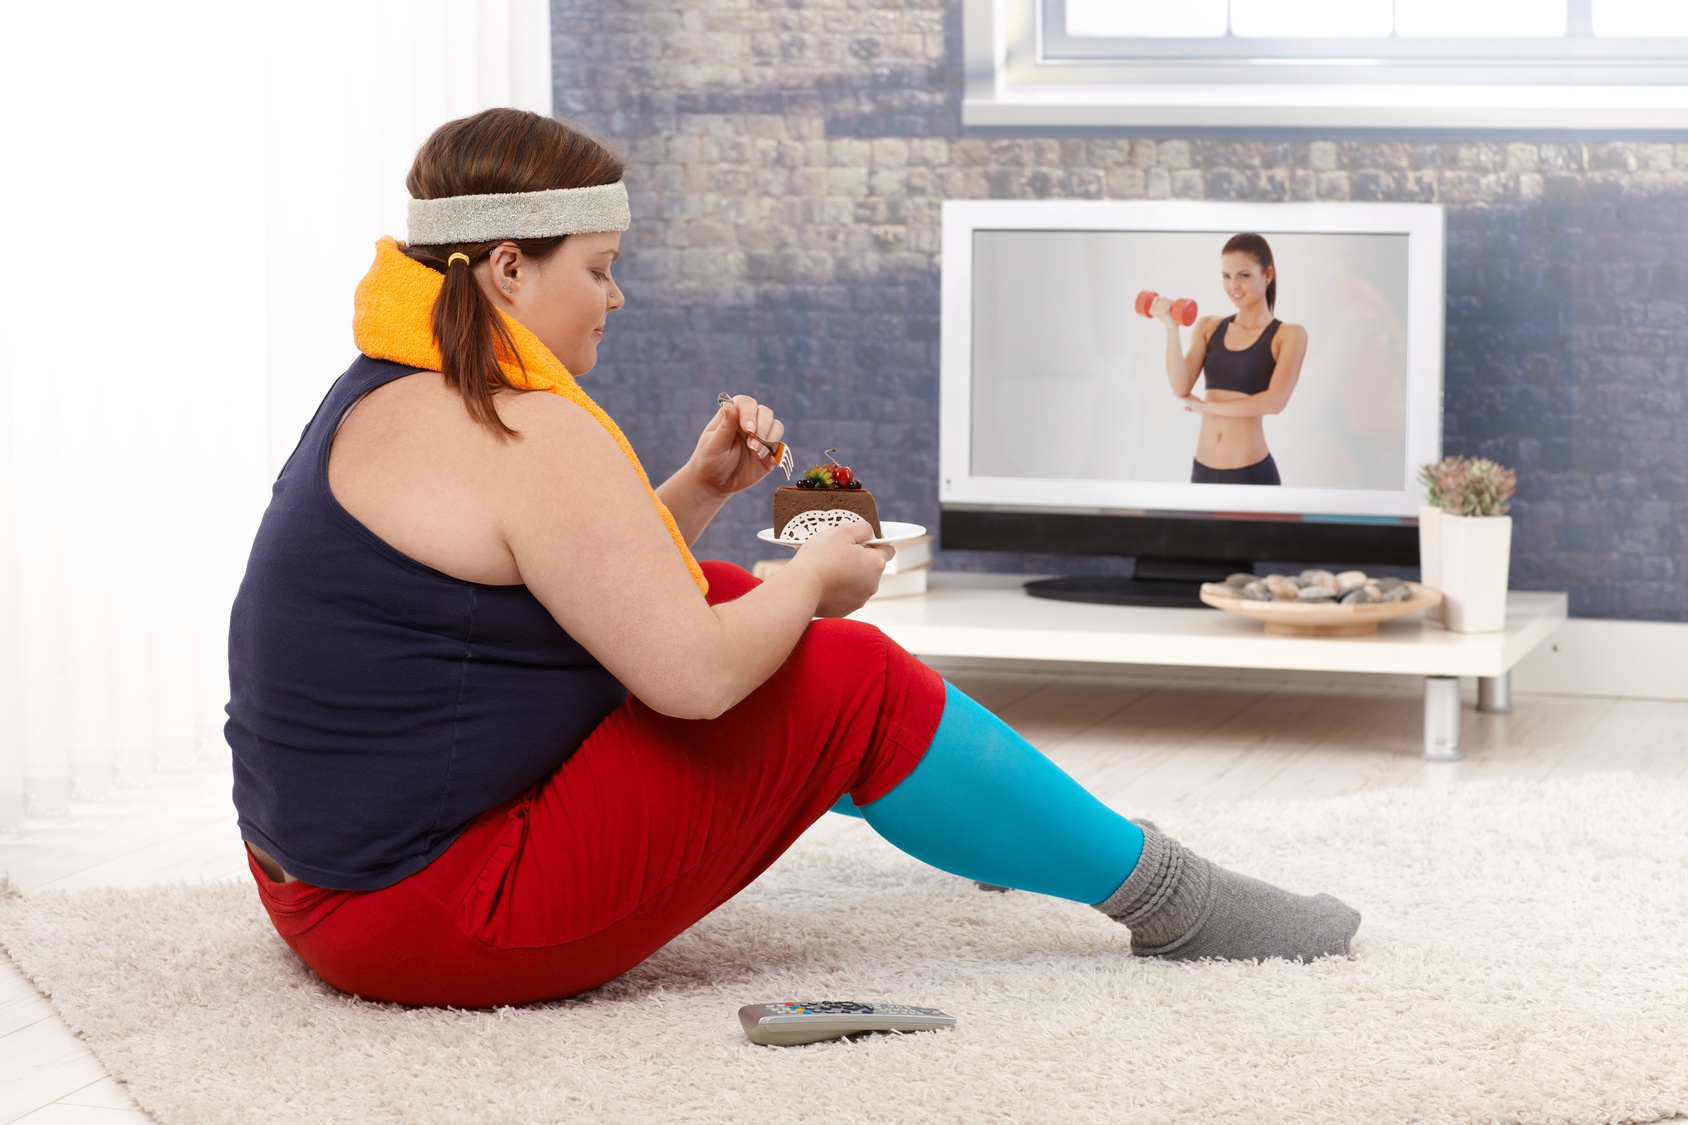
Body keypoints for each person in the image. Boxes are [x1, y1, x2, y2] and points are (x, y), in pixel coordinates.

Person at [226, 109, 1359, 1009]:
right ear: (510, 270)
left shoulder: (395, 384)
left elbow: (538, 591)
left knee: (709, 594)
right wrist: (813, 579)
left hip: (322, 891)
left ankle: (980, 814)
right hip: (433, 921)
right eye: (601, 267)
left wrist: (699, 490)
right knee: (840, 674)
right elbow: (693, 680)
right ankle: (1173, 901)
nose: (617, 297)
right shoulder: (529, 427)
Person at [1150, 234, 1308, 485]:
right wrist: (1172, 328)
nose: (1233, 286)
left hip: (1251, 473)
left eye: (1243, 275)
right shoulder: (1209, 326)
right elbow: (1180, 387)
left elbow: (1275, 402)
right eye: (1226, 276)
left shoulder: (1289, 335)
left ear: (1267, 275)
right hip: (1202, 470)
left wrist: (1209, 408)